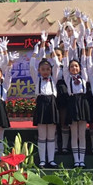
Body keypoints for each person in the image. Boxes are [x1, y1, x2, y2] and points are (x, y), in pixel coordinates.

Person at [30, 34, 60, 169]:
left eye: (48, 69)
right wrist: (36, 51)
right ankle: (42, 160)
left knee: (51, 134)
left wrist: (52, 49)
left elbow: (57, 64)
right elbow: (32, 66)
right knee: (42, 135)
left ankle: (51, 160)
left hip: (52, 105)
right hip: (41, 105)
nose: (46, 72)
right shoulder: (37, 79)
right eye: (43, 69)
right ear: (39, 70)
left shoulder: (54, 79)